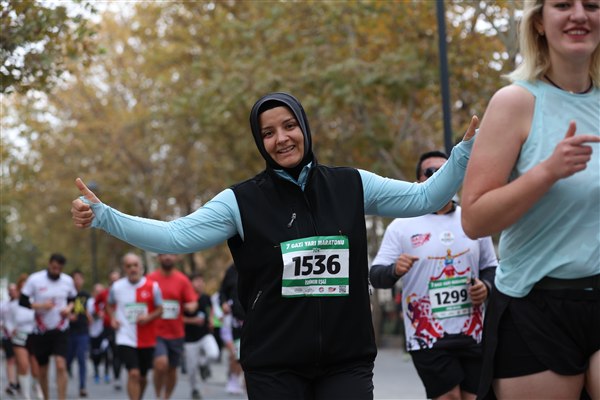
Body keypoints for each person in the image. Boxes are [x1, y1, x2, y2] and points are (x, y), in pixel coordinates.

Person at [71, 92, 477, 399]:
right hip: (274, 366)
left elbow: (424, 197)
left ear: (304, 127)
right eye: (268, 133)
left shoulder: (351, 184)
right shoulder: (240, 201)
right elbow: (175, 236)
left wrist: (463, 155)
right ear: (259, 140)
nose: (281, 139)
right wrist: (105, 216)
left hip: (347, 361)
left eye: (289, 126)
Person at [459, 1, 600, 399]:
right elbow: (474, 219)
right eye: (563, 5)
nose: (579, 15)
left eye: (592, 5)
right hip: (536, 305)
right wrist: (548, 171)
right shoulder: (515, 102)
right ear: (539, 22)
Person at [370, 151, 497, 400]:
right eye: (431, 173)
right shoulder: (402, 225)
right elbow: (375, 275)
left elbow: (491, 267)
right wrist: (394, 269)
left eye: (446, 171)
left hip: (473, 332)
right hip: (427, 335)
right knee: (449, 396)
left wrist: (486, 286)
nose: (439, 177)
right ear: (419, 181)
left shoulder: (473, 218)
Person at [19, 253, 77, 400]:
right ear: (49, 264)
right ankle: (46, 397)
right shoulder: (35, 279)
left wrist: (69, 309)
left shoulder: (67, 281)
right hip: (41, 329)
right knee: (43, 369)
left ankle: (62, 398)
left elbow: (73, 300)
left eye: (59, 269)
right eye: (54, 267)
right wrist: (41, 306)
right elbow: (22, 301)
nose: (56, 271)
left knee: (60, 365)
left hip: (61, 328)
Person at [107, 253, 163, 400]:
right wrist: (113, 318)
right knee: (133, 373)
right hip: (125, 336)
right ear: (124, 268)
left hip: (147, 338)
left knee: (143, 377)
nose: (132, 269)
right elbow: (109, 304)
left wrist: (148, 317)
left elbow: (160, 309)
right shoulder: (117, 287)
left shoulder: (153, 286)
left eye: (135, 265)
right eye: (129, 266)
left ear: (141, 267)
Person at [146, 253, 197, 400]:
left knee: (172, 369)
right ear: (159, 257)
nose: (168, 257)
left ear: (176, 257)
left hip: (176, 332)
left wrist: (191, 306)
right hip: (156, 331)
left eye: (171, 254)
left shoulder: (182, 280)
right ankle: (157, 395)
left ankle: (166, 397)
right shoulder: (150, 279)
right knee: (161, 364)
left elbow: (193, 301)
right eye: (164, 254)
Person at [183, 273, 220, 399]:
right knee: (192, 369)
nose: (200, 283)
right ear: (190, 283)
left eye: (202, 281)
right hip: (190, 339)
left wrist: (211, 320)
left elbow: (210, 310)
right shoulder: (185, 298)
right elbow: (178, 318)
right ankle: (194, 389)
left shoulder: (206, 297)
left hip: (205, 334)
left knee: (214, 353)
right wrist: (192, 321)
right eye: (197, 281)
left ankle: (203, 364)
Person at [6, 274, 39, 400]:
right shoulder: (13, 305)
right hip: (19, 336)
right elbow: (8, 320)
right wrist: (10, 330)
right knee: (23, 365)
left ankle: (37, 386)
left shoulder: (36, 302)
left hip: (34, 335)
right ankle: (26, 394)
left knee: (36, 367)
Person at [218, 263, 244, 395]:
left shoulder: (260, 262)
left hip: (256, 320)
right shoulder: (232, 270)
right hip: (235, 322)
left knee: (250, 355)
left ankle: (246, 383)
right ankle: (233, 379)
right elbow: (222, 292)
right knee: (237, 354)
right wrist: (223, 303)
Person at [95, 269, 123, 389]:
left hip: (121, 327)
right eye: (113, 280)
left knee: (117, 353)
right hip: (107, 326)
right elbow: (96, 303)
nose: (115, 283)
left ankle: (117, 377)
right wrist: (100, 312)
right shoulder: (104, 293)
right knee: (107, 351)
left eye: (117, 280)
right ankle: (105, 371)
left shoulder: (125, 291)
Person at [66, 269, 91, 398]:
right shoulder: (66, 295)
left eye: (79, 278)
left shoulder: (85, 295)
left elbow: (87, 309)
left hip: (82, 331)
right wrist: (68, 316)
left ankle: (82, 386)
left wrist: (90, 316)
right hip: (69, 332)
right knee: (67, 359)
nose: (77, 281)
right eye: (75, 279)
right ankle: (64, 377)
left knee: (82, 358)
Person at [88, 283, 110, 384]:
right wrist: (98, 314)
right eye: (97, 292)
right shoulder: (91, 302)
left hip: (105, 331)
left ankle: (106, 373)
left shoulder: (106, 301)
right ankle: (96, 373)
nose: (99, 293)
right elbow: (89, 316)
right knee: (95, 354)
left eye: (101, 291)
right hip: (93, 332)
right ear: (93, 292)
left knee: (106, 352)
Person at [1, 282, 19, 396]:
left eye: (14, 290)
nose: (12, 292)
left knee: (20, 360)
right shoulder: (4, 305)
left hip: (21, 335)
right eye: (10, 290)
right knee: (10, 359)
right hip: (8, 335)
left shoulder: (22, 304)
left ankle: (19, 381)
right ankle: (11, 383)